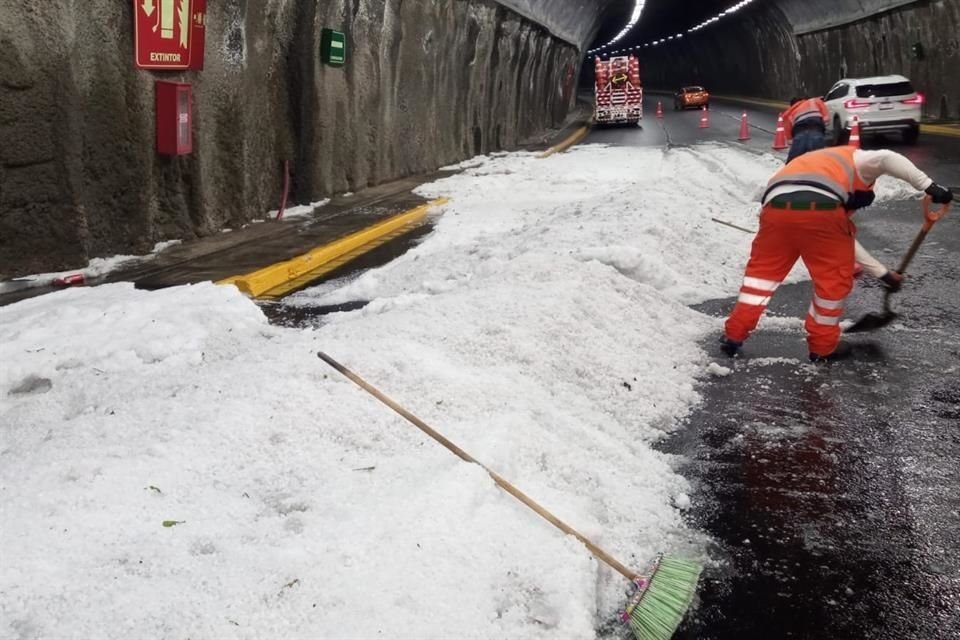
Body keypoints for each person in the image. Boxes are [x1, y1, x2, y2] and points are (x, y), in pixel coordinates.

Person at [720, 146, 953, 363]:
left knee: (759, 281)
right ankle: (823, 347)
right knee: (832, 283)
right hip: (821, 209)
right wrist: (929, 186)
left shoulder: (817, 163)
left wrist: (884, 275)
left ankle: (733, 335)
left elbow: (843, 238)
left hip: (774, 211)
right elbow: (887, 158)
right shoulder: (857, 158)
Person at [782, 95, 829, 163]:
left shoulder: (789, 112)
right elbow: (826, 119)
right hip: (816, 132)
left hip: (799, 136)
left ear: (792, 105)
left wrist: (792, 143)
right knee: (818, 163)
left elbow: (788, 135)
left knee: (792, 163)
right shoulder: (815, 101)